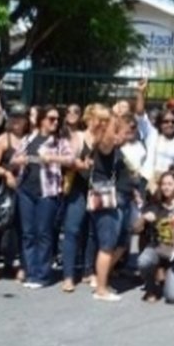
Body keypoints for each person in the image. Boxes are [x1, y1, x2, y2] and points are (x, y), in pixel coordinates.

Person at [17, 105, 73, 289]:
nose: (55, 122)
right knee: (28, 233)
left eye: (57, 119)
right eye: (51, 119)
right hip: (26, 189)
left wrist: (52, 158)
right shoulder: (29, 138)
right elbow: (14, 159)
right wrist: (17, 161)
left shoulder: (59, 141)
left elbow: (70, 159)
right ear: (41, 120)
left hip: (47, 191)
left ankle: (42, 274)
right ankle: (30, 270)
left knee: (43, 232)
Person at [85, 115, 135, 302]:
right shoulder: (105, 148)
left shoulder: (118, 152)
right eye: (122, 132)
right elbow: (105, 141)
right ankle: (100, 290)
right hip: (109, 202)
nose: (125, 136)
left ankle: (101, 279)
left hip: (123, 201)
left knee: (121, 244)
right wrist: (113, 121)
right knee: (106, 246)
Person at [60, 104, 108, 292]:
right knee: (72, 230)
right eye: (99, 119)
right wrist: (81, 163)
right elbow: (69, 160)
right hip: (78, 189)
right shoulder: (79, 137)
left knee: (93, 232)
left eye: (105, 120)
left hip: (98, 188)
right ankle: (68, 276)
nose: (102, 123)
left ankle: (89, 271)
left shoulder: (105, 140)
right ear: (89, 119)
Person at [0, 102, 30, 284]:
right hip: (5, 188)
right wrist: (7, 173)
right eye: (14, 118)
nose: (17, 121)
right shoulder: (4, 139)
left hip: (25, 188)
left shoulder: (30, 138)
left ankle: (19, 265)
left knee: (21, 228)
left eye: (21, 118)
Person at [135, 170, 174, 303]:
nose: (166, 187)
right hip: (157, 248)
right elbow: (135, 229)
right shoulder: (154, 204)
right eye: (163, 184)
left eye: (170, 184)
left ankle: (172, 277)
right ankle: (151, 287)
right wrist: (143, 218)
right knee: (144, 261)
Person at [133, 79, 174, 187]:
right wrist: (140, 93)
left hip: (168, 183)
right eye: (166, 121)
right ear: (160, 123)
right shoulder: (152, 134)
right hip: (148, 180)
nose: (170, 124)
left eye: (173, 122)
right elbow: (140, 115)